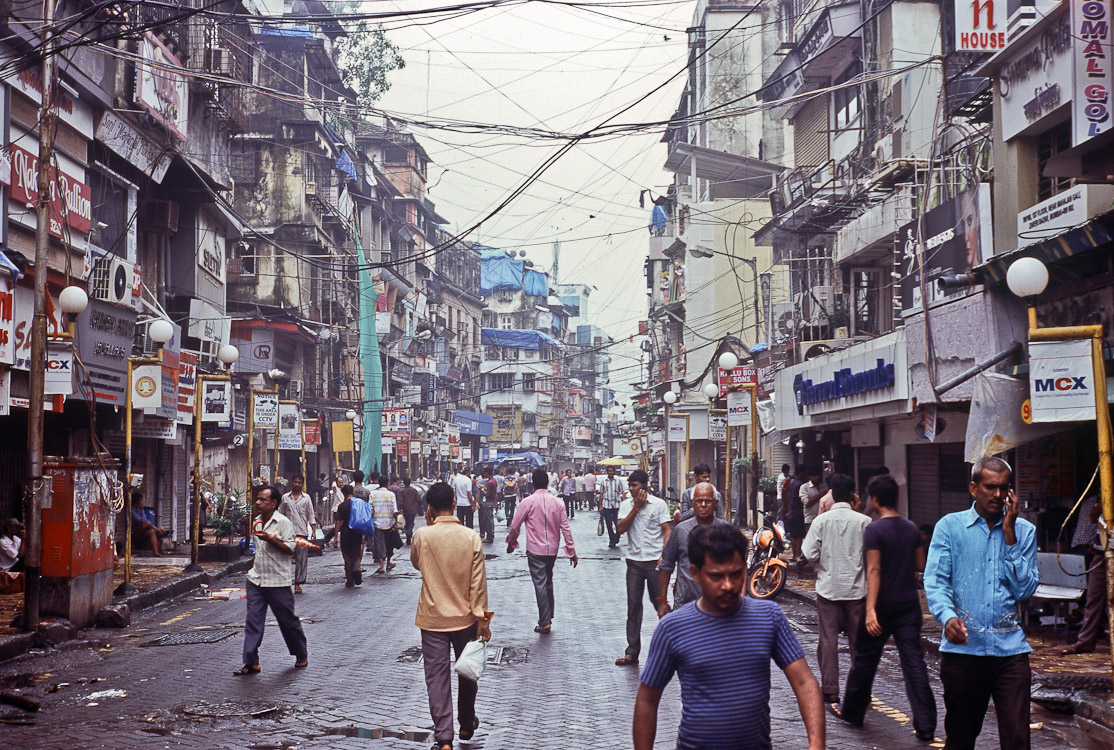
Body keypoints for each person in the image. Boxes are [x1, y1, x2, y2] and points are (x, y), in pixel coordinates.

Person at [633, 523, 825, 750]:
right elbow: (647, 699)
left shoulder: (769, 617)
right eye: (716, 576)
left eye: (735, 574)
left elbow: (804, 682)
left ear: (745, 568)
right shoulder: (674, 628)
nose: (727, 585)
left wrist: (816, 743)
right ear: (695, 573)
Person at [924, 456, 1038, 750]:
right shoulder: (950, 527)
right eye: (990, 487)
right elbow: (936, 581)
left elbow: (1025, 590)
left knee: (1017, 739)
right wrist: (947, 617)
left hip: (1010, 652)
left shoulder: (1024, 531)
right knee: (961, 738)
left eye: (1004, 488)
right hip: (964, 652)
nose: (998, 495)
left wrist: (1009, 536)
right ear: (974, 488)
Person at [830, 474, 936, 740]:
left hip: (882, 604)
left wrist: (870, 610)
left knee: (865, 661)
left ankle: (852, 713)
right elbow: (920, 566)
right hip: (908, 606)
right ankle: (925, 724)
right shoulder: (911, 528)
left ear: (875, 499)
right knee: (913, 662)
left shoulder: (874, 530)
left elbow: (874, 570)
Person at [411, 482, 492, 750]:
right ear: (455, 504)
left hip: (432, 618)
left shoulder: (422, 535)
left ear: (430, 508)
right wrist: (483, 620)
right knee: (467, 672)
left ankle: (444, 737)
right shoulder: (471, 537)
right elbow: (478, 584)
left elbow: (416, 562)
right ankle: (467, 722)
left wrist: (428, 525)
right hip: (465, 618)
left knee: (436, 677)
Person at [801, 473, 869, 705]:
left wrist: (822, 563)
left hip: (828, 587)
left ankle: (830, 689)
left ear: (831, 493)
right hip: (857, 589)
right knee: (857, 640)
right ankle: (860, 688)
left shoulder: (821, 521)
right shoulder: (863, 521)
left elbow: (809, 553)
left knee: (828, 639)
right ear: (852, 495)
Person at [233, 484, 308, 675]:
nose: (258, 503)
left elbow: (290, 548)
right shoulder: (256, 522)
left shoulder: (283, 523)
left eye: (263, 500)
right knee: (253, 621)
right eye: (257, 499)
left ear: (274, 503)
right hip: (256, 579)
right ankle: (251, 662)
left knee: (287, 620)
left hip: (278, 581)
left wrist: (272, 540)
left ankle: (300, 652)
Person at [506, 468, 577, 633]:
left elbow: (514, 525)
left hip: (535, 549)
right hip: (552, 550)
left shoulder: (527, 502)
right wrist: (571, 551)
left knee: (540, 584)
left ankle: (545, 621)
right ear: (547, 482)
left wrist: (511, 542)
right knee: (548, 582)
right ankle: (548, 616)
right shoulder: (558, 502)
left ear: (533, 484)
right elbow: (566, 528)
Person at [615, 468, 672, 666]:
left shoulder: (659, 505)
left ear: (644, 486)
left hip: (654, 563)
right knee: (633, 607)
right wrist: (636, 508)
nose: (631, 489)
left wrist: (664, 555)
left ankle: (673, 645)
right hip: (634, 563)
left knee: (660, 604)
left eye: (634, 485)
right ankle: (632, 650)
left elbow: (667, 530)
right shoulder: (626, 505)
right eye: (629, 486)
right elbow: (620, 529)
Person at [657, 483, 728, 617]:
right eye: (698, 501)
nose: (702, 505)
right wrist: (662, 601)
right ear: (692, 503)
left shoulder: (727, 532)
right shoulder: (680, 531)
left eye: (707, 501)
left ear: (715, 502)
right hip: (685, 603)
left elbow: (740, 569)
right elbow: (666, 566)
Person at [1063, 498, 1109, 655]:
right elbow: (1093, 515)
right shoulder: (1102, 494)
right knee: (1094, 596)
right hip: (1101, 548)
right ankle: (1085, 641)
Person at [279, 475, 317, 595]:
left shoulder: (306, 498)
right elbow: (280, 514)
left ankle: (297, 584)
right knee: (284, 559)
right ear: (291, 483)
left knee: (301, 560)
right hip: (287, 534)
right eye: (295, 482)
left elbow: (310, 514)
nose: (297, 484)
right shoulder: (285, 498)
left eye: (299, 483)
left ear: (302, 484)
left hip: (302, 533)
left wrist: (314, 530)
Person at [333, 484, 364, 587]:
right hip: (357, 532)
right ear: (353, 492)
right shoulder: (359, 504)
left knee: (347, 556)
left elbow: (338, 522)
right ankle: (356, 568)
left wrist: (336, 537)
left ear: (344, 493)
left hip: (345, 533)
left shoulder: (341, 506)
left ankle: (349, 579)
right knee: (356, 554)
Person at [368, 471, 398, 574]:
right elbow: (395, 510)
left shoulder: (372, 494)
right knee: (389, 544)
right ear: (387, 484)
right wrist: (397, 522)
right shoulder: (391, 495)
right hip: (389, 522)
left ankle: (381, 565)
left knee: (378, 543)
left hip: (377, 522)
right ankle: (388, 562)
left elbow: (370, 509)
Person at [598, 465, 625, 548]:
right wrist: (600, 506)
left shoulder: (618, 481)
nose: (611, 472)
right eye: (609, 471)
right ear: (607, 472)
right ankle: (611, 540)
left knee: (617, 523)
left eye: (612, 471)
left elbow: (622, 492)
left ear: (614, 471)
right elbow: (601, 494)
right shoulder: (603, 481)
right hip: (607, 505)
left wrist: (624, 504)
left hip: (617, 505)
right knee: (609, 524)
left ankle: (617, 537)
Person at [785, 465, 808, 562]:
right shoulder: (800, 484)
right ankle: (798, 555)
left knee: (793, 534)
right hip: (798, 511)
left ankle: (794, 554)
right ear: (801, 472)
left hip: (792, 510)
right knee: (798, 535)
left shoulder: (792, 482)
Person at [800, 466, 826, 548]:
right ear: (810, 477)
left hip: (823, 519)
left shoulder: (824, 486)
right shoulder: (805, 487)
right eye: (814, 476)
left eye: (818, 476)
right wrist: (820, 495)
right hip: (810, 519)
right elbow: (806, 502)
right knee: (811, 543)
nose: (817, 478)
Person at [395, 477, 423, 545]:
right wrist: (420, 506)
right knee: (410, 523)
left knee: (407, 523)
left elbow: (400, 501)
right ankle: (408, 533)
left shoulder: (401, 491)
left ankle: (408, 538)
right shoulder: (414, 490)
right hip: (412, 510)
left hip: (405, 510)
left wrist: (399, 508)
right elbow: (418, 500)